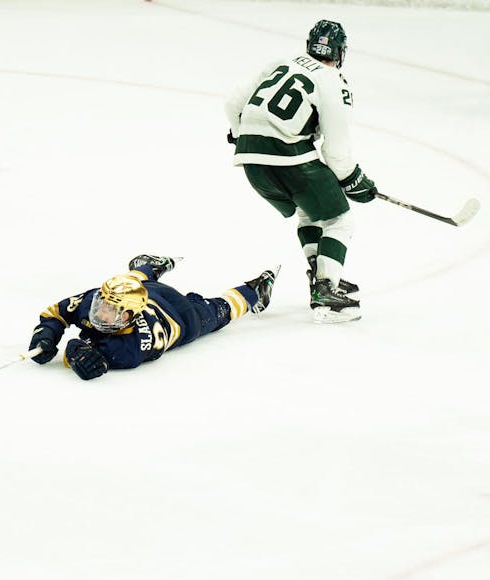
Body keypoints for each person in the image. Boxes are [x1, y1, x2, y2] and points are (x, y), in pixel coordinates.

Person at [224, 19, 376, 324]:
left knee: (309, 213)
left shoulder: (281, 63)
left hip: (251, 161)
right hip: (289, 159)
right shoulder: (332, 80)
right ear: (340, 52)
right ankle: (326, 291)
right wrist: (352, 179)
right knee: (338, 218)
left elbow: (233, 101)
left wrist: (241, 133)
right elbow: (335, 150)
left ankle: (321, 276)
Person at [27, 255, 278, 381]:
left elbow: (91, 357)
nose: (99, 312)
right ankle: (151, 266)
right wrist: (46, 334)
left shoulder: (130, 347)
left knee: (217, 312)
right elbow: (56, 312)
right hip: (148, 294)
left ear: (128, 317)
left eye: (110, 310)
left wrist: (72, 351)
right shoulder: (97, 300)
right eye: (101, 303)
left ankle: (253, 292)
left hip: (183, 316)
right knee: (131, 282)